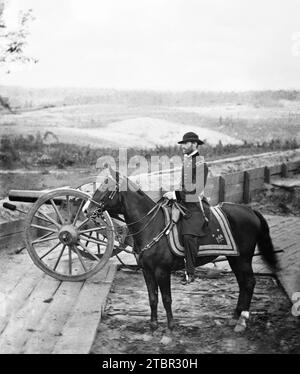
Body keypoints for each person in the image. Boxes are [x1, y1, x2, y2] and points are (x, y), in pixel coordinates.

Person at [164, 132, 210, 285]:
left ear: (195, 144)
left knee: (188, 236)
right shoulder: (189, 161)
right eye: (182, 144)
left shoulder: (200, 163)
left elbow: (194, 190)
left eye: (186, 143)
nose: (183, 146)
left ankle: (190, 272)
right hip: (184, 203)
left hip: (194, 205)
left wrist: (175, 194)